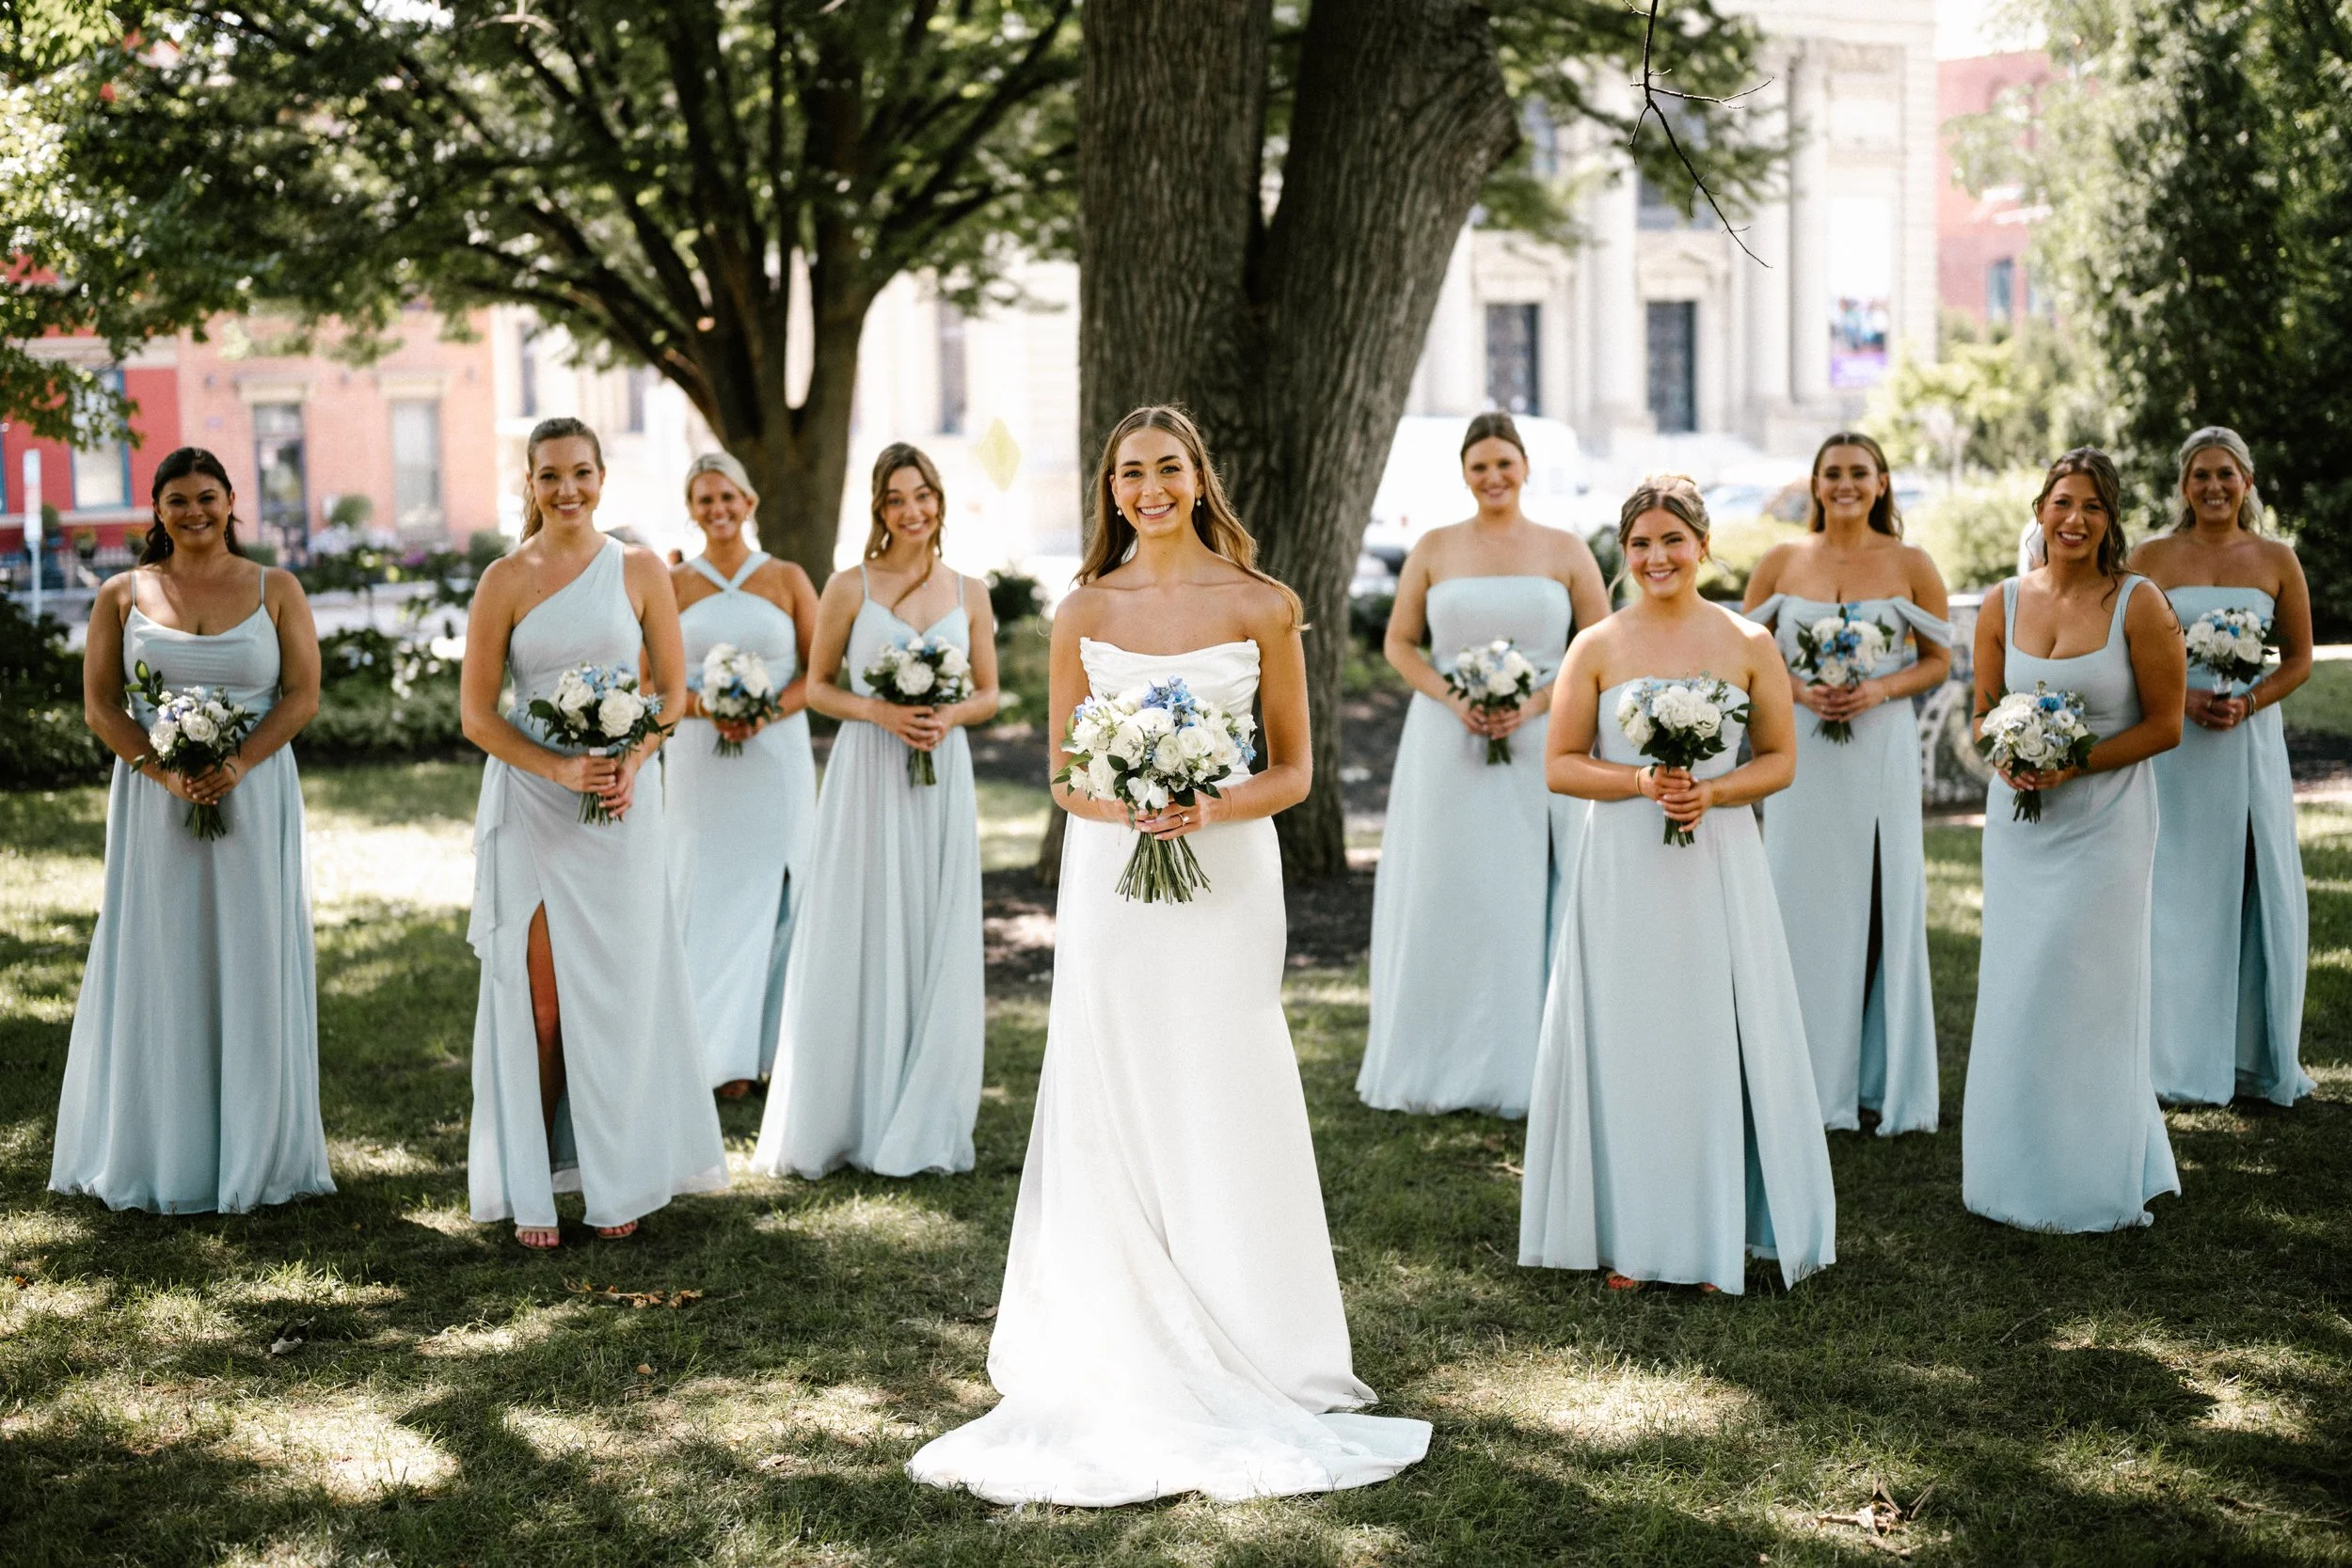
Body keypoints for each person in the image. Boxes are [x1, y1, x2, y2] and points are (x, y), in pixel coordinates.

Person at [908, 406, 1429, 1504]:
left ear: (1198, 479)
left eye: (1166, 468)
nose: (1147, 487)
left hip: (1229, 873)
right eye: (1128, 472)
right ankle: (1118, 1319)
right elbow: (1058, 772)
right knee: (1117, 1080)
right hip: (1110, 879)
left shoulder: (1263, 603)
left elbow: (1291, 771)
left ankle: (1259, 1330)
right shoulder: (1082, 609)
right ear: (1109, 488)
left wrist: (1202, 804)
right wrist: (1127, 799)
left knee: (1224, 1081)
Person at [1520, 477, 1836, 1295]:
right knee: (1631, 1034)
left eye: (1671, 540)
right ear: (1624, 556)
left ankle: (1708, 1236)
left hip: (1717, 862)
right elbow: (1559, 764)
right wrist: (1638, 785)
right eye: (1640, 545)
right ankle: (1631, 1234)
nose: (1656, 557)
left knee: (1709, 1033)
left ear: (1701, 544)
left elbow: (1780, 760)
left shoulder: (1746, 641)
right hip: (1622, 866)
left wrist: (1714, 791)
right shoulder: (1596, 644)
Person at [460, 417, 727, 1249]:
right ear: (530, 484)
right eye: (549, 476)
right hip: (534, 808)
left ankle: (619, 1177)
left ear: (603, 477)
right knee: (543, 1004)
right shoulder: (504, 579)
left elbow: (673, 693)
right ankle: (535, 1183)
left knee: (616, 996)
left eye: (580, 473)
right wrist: (559, 769)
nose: (566, 489)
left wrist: (632, 758)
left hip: (619, 805)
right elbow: (475, 715)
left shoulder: (642, 569)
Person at [51, 447, 334, 1213]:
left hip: (256, 792)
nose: (194, 511)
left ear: (231, 499)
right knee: (162, 953)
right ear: (156, 509)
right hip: (154, 802)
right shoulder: (120, 594)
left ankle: (257, 1149)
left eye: (207, 496)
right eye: (177, 500)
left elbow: (302, 694)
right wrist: (159, 768)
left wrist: (237, 763)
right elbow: (102, 705)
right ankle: (162, 1149)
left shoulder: (277, 588)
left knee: (252, 950)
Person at [750, 443, 996, 1180]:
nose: (912, 510)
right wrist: (881, 713)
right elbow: (817, 684)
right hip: (866, 771)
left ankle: (923, 1106)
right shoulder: (848, 586)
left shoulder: (969, 591)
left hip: (938, 773)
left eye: (922, 494)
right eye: (895, 499)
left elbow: (989, 692)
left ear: (939, 499)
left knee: (930, 923)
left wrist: (948, 718)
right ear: (878, 509)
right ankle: (848, 1111)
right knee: (860, 923)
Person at [1359, 411, 1612, 1118]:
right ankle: (1439, 1057)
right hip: (1447, 739)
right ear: (1465, 475)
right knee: (1450, 885)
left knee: (1531, 885)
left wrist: (1533, 705)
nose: (1493, 476)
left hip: (1543, 738)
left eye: (1504, 463)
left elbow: (1601, 641)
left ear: (1525, 467)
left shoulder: (1565, 549)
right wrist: (1454, 695)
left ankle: (1537, 1061)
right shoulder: (1434, 547)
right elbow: (1401, 644)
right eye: (1479, 466)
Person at [1963, 449, 2185, 1232]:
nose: (2075, 518)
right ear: (2041, 508)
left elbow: (2166, 723)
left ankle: (2091, 1175)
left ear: (2111, 518)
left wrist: (2074, 758)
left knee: (2089, 988)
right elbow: (1985, 714)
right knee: (2021, 985)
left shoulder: (2138, 601)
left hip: (2107, 825)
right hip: (2022, 828)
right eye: (2063, 502)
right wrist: (2013, 757)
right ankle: (2011, 1168)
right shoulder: (2001, 602)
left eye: (2092, 505)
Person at [1743, 433, 1953, 1135]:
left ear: (1883, 483)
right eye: (1831, 473)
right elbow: (1750, 656)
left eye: (1858, 473)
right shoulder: (1780, 561)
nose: (1844, 484)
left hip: (1879, 744)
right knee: (1798, 889)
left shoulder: (1911, 563)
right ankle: (1797, 1071)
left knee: (1882, 894)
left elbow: (1937, 659)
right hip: (1801, 749)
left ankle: (1877, 1079)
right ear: (1813, 483)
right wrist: (1799, 691)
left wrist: (1879, 688)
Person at [2130, 428, 2312, 1106]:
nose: (2213, 486)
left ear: (2247, 483)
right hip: (2174, 742)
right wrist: (2182, 699)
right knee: (2171, 890)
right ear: (2183, 485)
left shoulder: (2276, 558)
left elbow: (2297, 656)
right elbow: (2129, 649)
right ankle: (2168, 1056)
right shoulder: (2150, 556)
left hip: (2246, 741)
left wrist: (2250, 700)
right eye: (2200, 474)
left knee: (2252, 884)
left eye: (2226, 475)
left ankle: (2252, 1055)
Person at [664, 452, 820, 1100]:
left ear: (749, 501)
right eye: (704, 499)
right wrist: (711, 707)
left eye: (727, 496)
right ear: (692, 508)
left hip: (776, 757)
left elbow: (819, 671)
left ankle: (773, 1051)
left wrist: (761, 712)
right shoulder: (674, 584)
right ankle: (714, 1057)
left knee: (781, 893)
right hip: (702, 760)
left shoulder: (785, 577)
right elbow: (655, 681)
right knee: (706, 892)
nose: (717, 509)